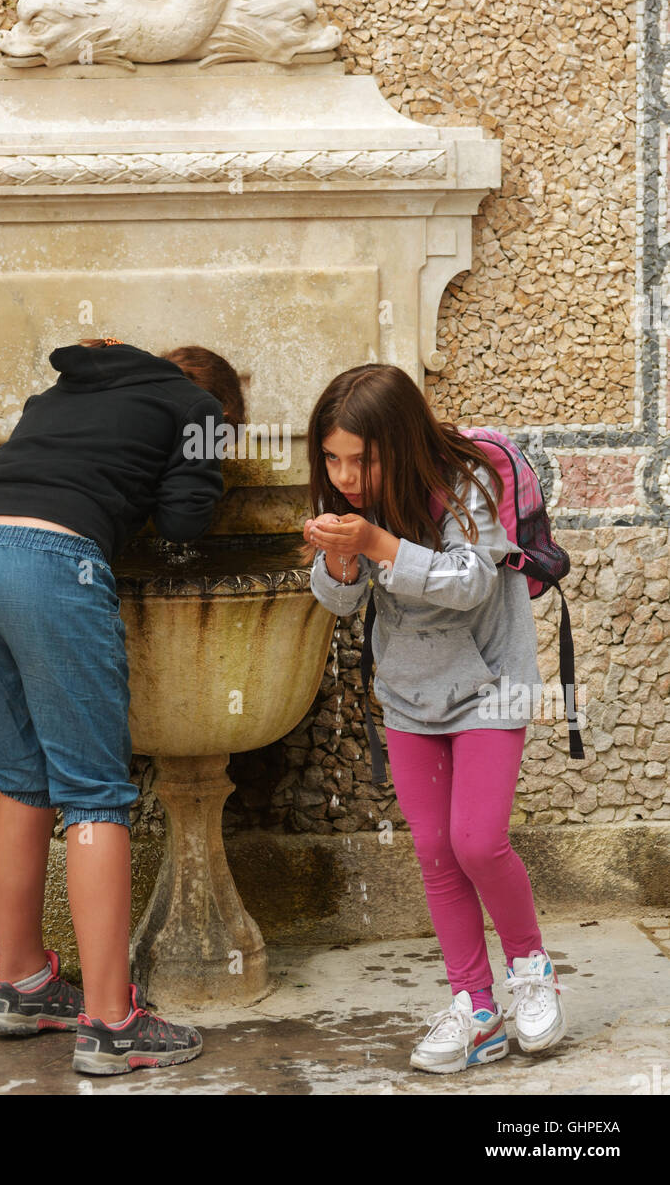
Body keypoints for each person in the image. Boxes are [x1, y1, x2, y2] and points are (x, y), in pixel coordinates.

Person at [0, 336, 242, 1076]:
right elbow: (182, 522)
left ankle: (21, 983)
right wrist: (200, 474)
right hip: (54, 566)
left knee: (24, 777)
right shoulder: (200, 409)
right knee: (94, 793)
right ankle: (113, 1023)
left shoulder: (73, 390)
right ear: (223, 406)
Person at [302, 362, 568, 1075]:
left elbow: (472, 581)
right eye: (332, 458)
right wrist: (341, 562)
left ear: (401, 441)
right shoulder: (357, 505)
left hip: (492, 686)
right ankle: (476, 1009)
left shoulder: (464, 486)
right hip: (411, 698)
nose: (346, 474)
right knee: (437, 854)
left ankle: (531, 970)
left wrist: (379, 545)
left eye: (362, 458)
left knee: (478, 842)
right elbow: (339, 604)